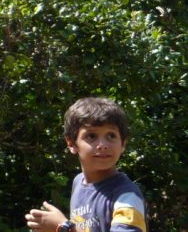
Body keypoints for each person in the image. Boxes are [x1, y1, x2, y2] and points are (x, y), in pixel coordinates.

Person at [24, 97, 147, 232]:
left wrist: (64, 228)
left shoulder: (127, 196)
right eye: (92, 136)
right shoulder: (78, 182)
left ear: (123, 143)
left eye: (111, 136)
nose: (103, 145)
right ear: (71, 143)